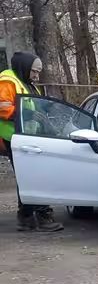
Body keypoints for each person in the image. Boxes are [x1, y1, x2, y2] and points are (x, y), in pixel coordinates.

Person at [0, 52, 62, 232]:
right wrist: (24, 114)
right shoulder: (7, 81)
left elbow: (32, 105)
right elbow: (2, 107)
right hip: (14, 137)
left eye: (38, 72)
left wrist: (45, 107)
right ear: (25, 68)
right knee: (35, 176)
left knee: (27, 177)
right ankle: (43, 217)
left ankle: (26, 218)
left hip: (25, 137)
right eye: (34, 71)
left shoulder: (24, 82)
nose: (37, 75)